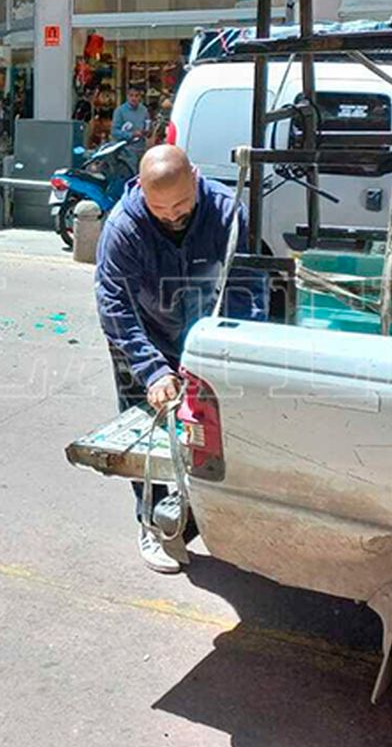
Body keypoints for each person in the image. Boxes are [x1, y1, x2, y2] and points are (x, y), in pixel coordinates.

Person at [95, 144, 266, 574]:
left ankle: (203, 511)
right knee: (147, 433)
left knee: (212, 431)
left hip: (206, 333)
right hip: (144, 336)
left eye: (181, 206)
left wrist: (234, 350)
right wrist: (152, 370)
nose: (171, 216)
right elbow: (114, 304)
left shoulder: (228, 213)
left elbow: (249, 284)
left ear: (195, 176)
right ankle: (154, 523)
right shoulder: (123, 227)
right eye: (159, 209)